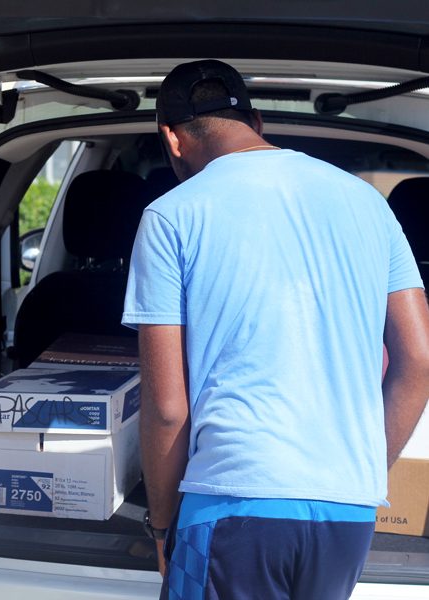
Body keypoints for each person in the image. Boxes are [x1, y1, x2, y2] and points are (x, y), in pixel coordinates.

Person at [122, 60, 429, 599]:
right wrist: (357, 472)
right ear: (257, 121)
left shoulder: (172, 215)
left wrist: (163, 525)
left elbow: (168, 406)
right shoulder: (367, 203)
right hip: (346, 510)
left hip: (232, 499)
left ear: (170, 138)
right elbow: (419, 360)